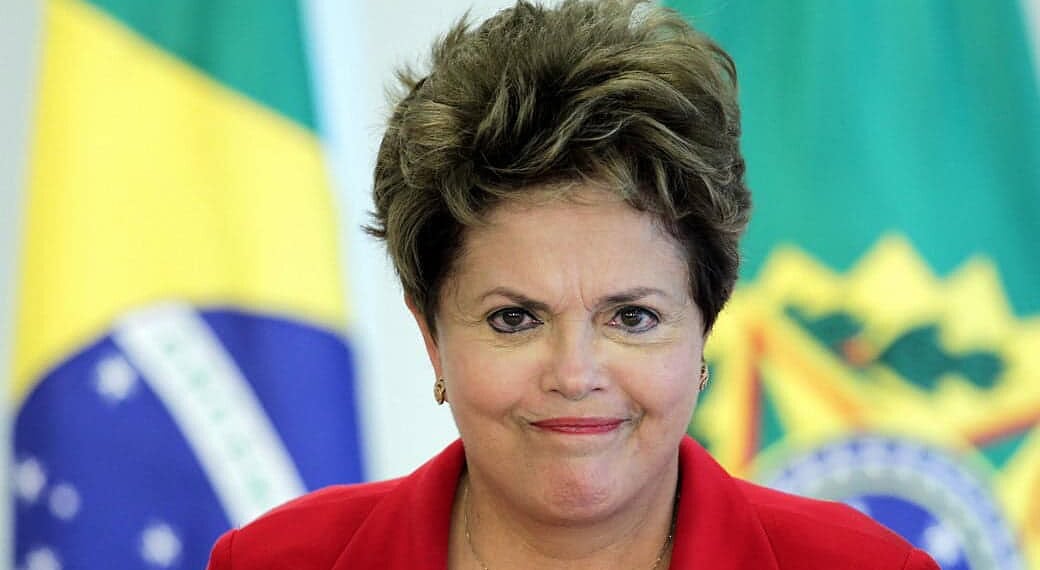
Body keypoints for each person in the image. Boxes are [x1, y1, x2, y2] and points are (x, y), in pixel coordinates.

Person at [207, 1, 940, 568]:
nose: (574, 374)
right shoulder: (276, 562)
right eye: (514, 318)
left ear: (704, 325)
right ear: (431, 336)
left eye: (633, 317)